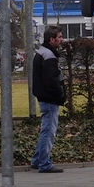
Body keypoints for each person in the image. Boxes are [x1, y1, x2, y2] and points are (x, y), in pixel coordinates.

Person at [30, 25, 66, 173]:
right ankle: (44, 163)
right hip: (50, 99)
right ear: (51, 40)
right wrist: (60, 95)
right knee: (48, 131)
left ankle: (37, 159)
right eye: (59, 37)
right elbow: (51, 80)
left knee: (46, 129)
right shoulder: (49, 56)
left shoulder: (41, 53)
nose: (61, 40)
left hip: (44, 97)